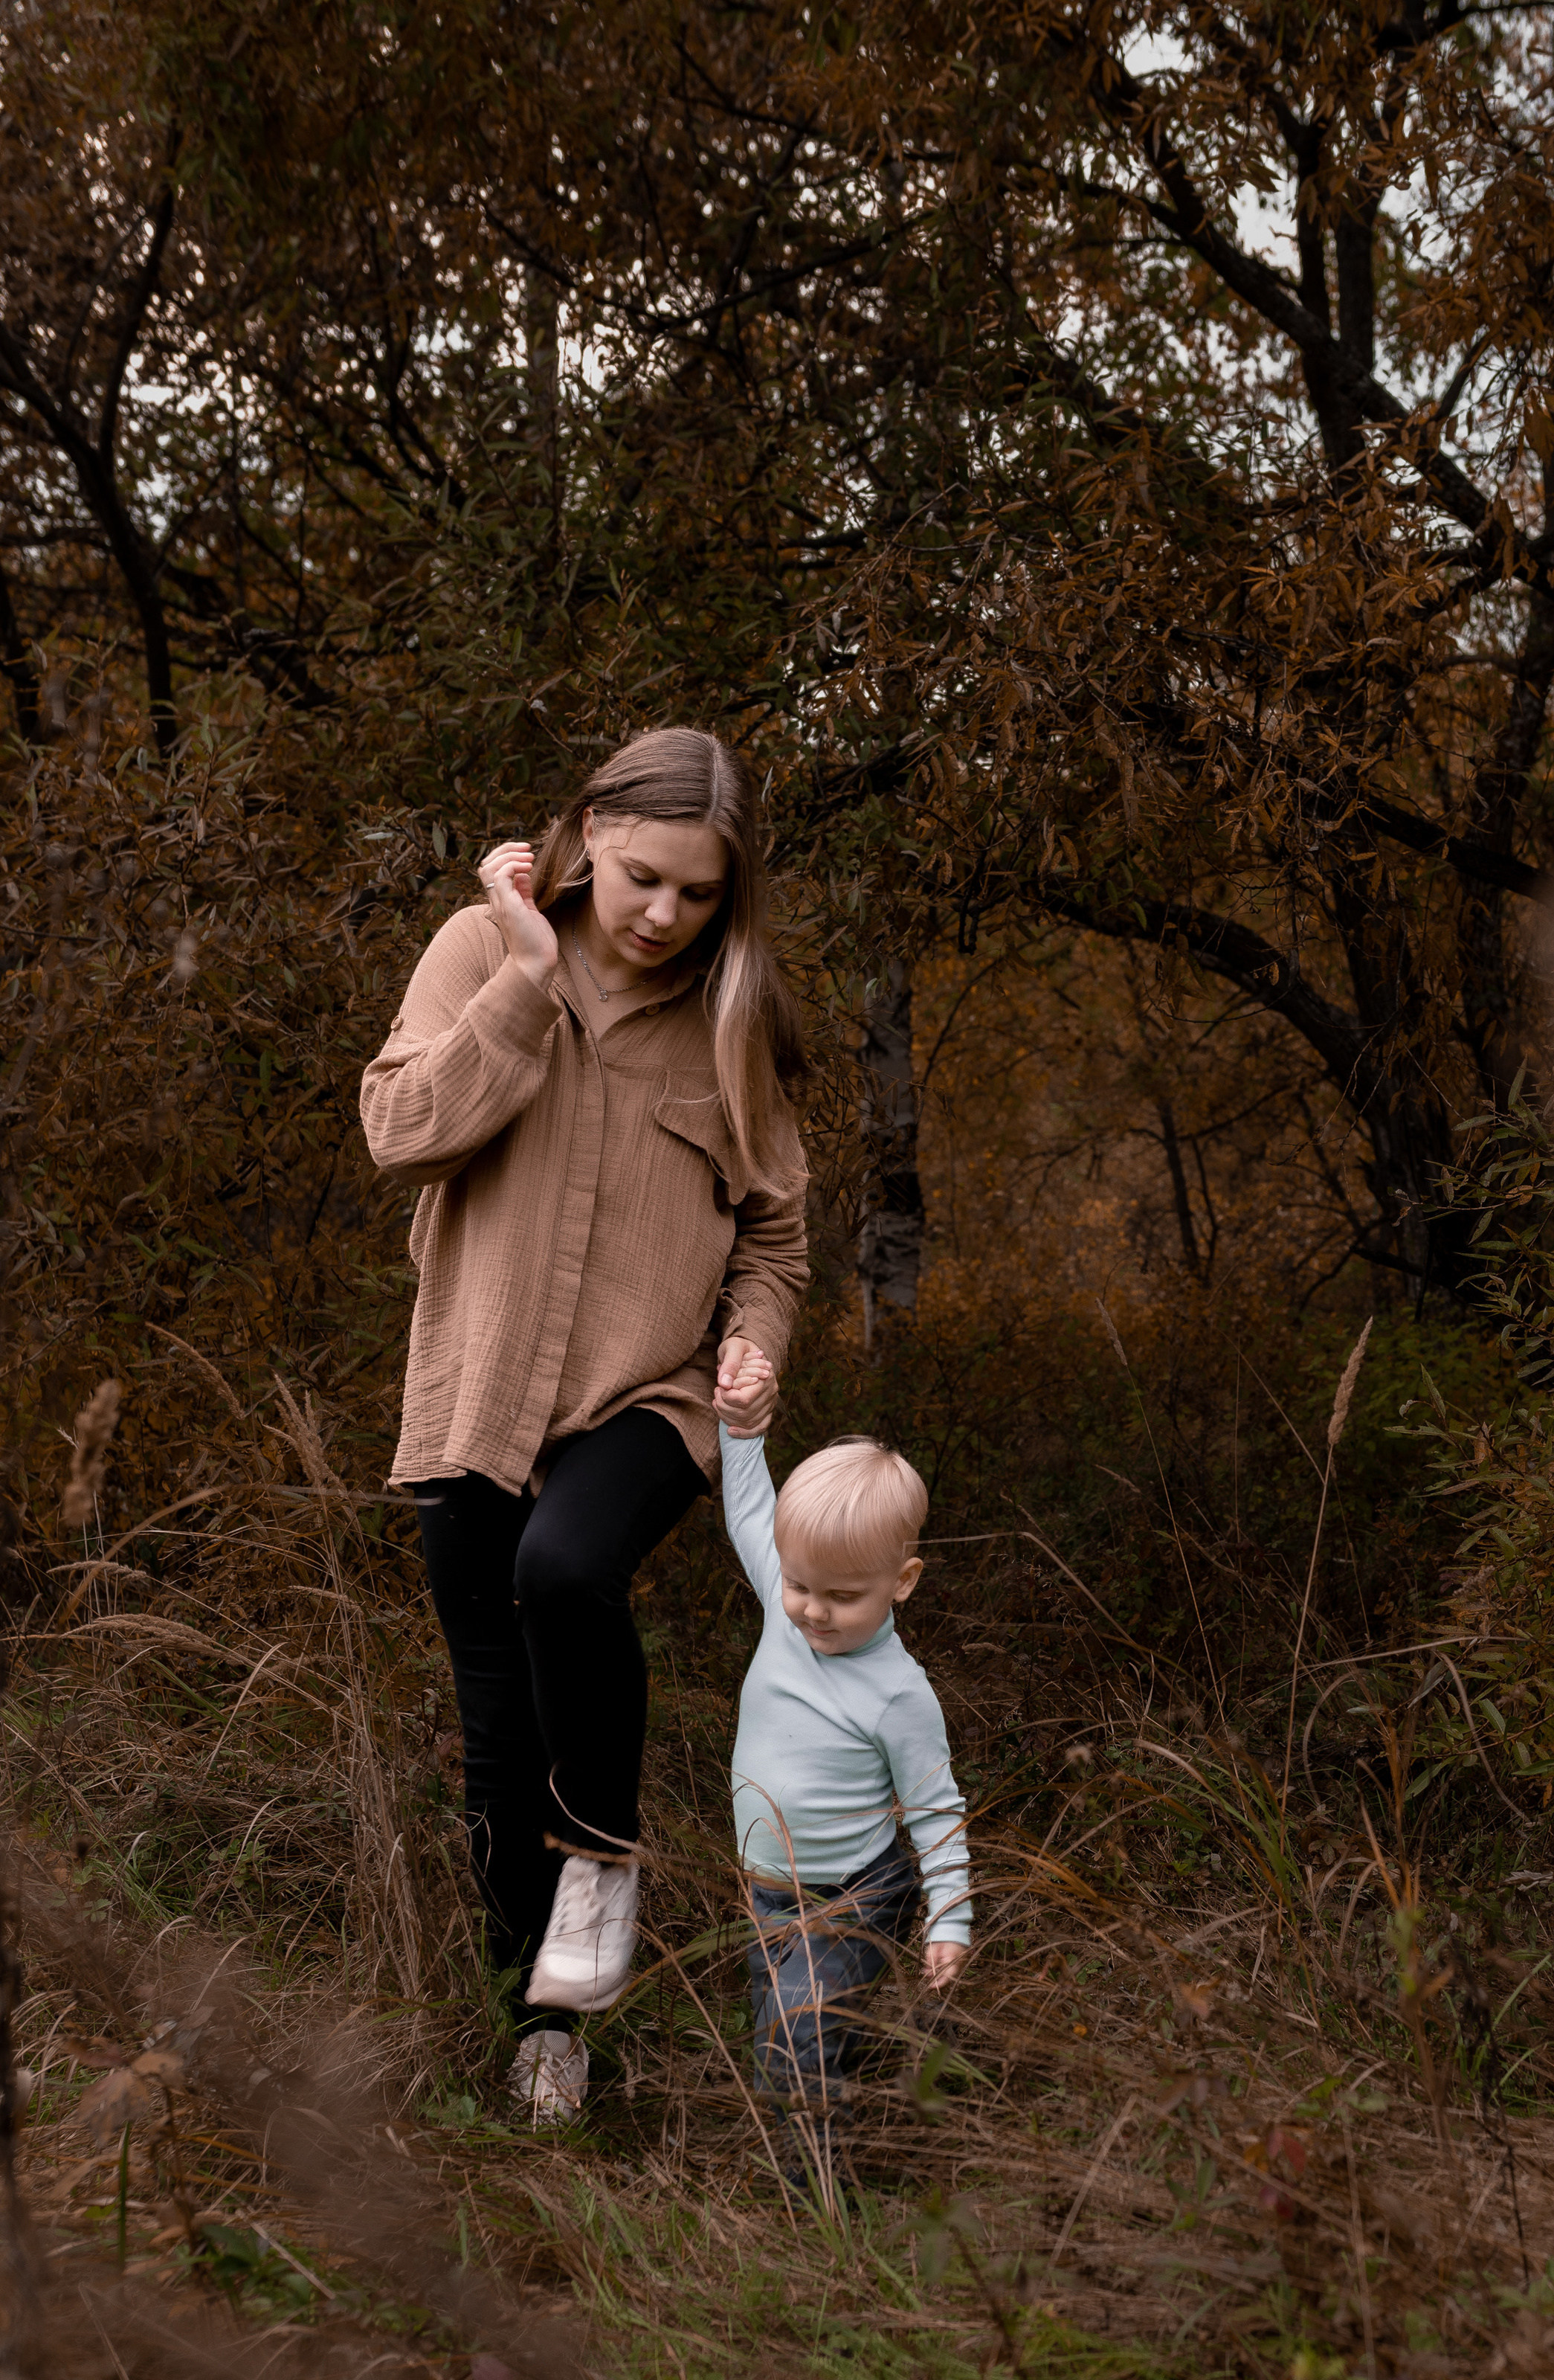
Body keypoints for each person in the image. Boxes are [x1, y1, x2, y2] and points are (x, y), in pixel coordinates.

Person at [360, 727, 808, 2125]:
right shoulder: (474, 953)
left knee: (566, 1569)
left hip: (646, 1399)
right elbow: (400, 1134)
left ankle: (605, 1864)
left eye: (699, 895)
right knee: (499, 1735)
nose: (666, 915)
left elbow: (775, 1237)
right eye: (640, 878)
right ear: (583, 833)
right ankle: (543, 2026)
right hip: (476, 1399)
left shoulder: (735, 1018)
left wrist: (755, 1343)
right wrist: (528, 984)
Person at [712, 1351, 971, 2193]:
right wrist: (741, 1426)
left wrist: (949, 1919)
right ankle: (830, 2097)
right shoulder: (787, 1608)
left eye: (843, 1595)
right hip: (767, 1889)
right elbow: (748, 1502)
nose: (814, 1610)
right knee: (781, 2036)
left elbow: (935, 1808)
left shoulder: (898, 1692)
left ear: (902, 1582)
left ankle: (815, 2195)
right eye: (799, 1585)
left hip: (855, 1889)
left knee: (797, 2036)